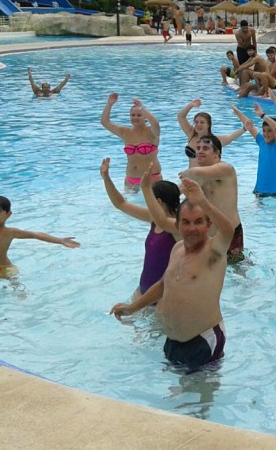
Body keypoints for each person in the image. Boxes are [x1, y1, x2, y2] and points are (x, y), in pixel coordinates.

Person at [110, 178, 233, 372]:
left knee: (200, 399)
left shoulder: (213, 252)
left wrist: (203, 202)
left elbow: (228, 231)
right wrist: (132, 308)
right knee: (176, 395)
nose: (191, 228)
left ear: (208, 225)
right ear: (177, 224)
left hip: (202, 341)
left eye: (198, 222)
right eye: (185, 222)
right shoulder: (177, 249)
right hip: (173, 342)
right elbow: (162, 285)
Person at [0, 160, 79, 277]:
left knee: (17, 291)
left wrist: (60, 240)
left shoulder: (10, 232)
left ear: (8, 214)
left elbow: (36, 235)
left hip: (4, 268)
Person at [100, 158, 180, 297]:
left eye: (149, 198)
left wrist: (146, 188)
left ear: (158, 202)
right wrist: (106, 178)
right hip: (143, 289)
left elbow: (163, 222)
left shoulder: (178, 226)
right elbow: (121, 204)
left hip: (164, 296)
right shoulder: (153, 219)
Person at [180, 134, 244, 264]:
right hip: (208, 236)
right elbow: (177, 190)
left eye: (205, 148)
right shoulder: (198, 174)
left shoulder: (226, 169)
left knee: (238, 271)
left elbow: (195, 173)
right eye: (198, 148)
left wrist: (188, 173)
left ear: (217, 154)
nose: (200, 151)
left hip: (229, 234)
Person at [101, 94, 161, 187]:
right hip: (130, 179)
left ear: (145, 118)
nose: (135, 118)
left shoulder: (152, 132)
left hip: (152, 179)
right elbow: (105, 122)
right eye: (132, 115)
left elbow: (155, 123)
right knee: (124, 201)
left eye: (139, 115)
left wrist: (142, 107)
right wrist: (109, 105)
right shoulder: (125, 132)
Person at [177, 100, 248, 169]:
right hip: (190, 177)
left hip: (206, 178)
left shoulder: (214, 140)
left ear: (208, 125)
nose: (198, 125)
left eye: (202, 122)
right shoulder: (191, 134)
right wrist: (190, 105)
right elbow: (180, 116)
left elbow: (230, 137)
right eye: (196, 122)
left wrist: (244, 128)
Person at [245, 112, 276, 197]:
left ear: (275, 132)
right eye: (264, 130)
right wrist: (236, 111)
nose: (266, 134)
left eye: (270, 131)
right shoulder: (261, 142)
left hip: (275, 192)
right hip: (258, 190)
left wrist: (263, 115)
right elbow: (248, 125)